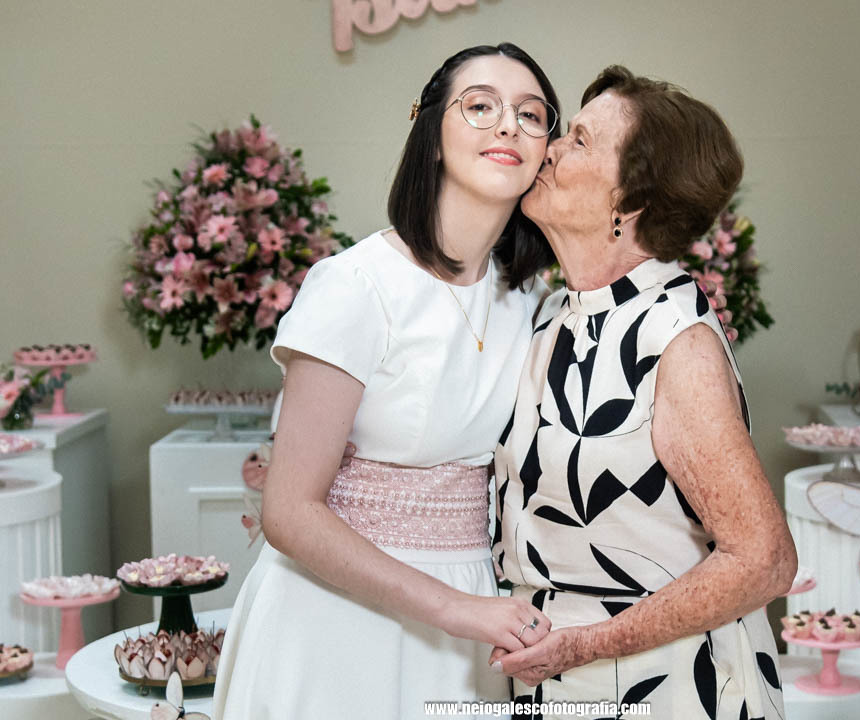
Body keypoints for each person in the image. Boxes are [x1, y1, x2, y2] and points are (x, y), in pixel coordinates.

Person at [212, 43, 562, 719]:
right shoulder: (356, 285)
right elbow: (289, 512)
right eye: (480, 106)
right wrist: (456, 609)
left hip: (471, 619)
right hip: (333, 622)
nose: (508, 125)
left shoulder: (531, 300)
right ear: (430, 132)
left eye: (531, 114)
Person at [490, 66, 797, 720]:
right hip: (554, 684)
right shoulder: (552, 313)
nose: (548, 149)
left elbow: (764, 561)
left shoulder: (675, 337)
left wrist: (586, 645)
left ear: (629, 204)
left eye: (577, 140)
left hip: (667, 686)